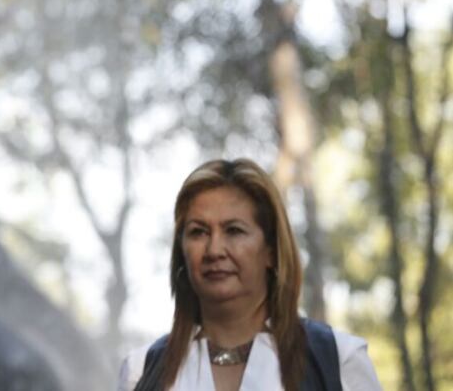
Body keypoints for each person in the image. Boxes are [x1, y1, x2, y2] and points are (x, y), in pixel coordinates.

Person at [118, 159, 381, 391]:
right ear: (181, 250)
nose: (214, 250)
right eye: (199, 232)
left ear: (271, 250)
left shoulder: (336, 360)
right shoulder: (141, 371)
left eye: (234, 230)